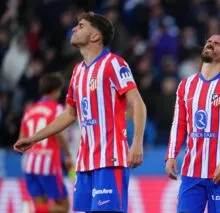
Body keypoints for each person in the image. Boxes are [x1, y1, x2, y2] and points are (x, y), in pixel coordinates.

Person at [14, 11, 147, 213]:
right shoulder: (77, 71)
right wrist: (34, 139)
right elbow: (69, 114)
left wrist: (137, 142)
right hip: (85, 163)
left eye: (82, 25)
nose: (74, 28)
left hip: (109, 159)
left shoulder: (113, 63)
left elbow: (137, 103)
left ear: (96, 36)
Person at [165, 34, 220, 213]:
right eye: (209, 41)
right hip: (192, 173)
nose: (211, 43)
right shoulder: (185, 85)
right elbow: (179, 123)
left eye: (217, 43)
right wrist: (171, 154)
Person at [19, 73, 73, 213]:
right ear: (55, 90)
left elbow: (22, 139)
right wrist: (67, 155)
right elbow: (59, 134)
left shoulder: (29, 110)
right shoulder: (57, 109)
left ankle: (32, 208)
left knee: (41, 204)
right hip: (48, 163)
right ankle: (30, 209)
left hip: (30, 163)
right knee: (64, 206)